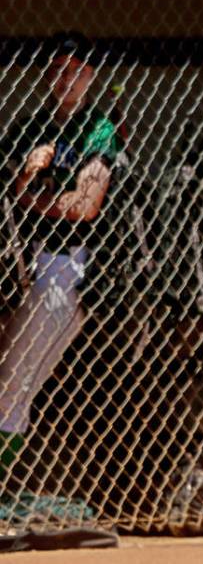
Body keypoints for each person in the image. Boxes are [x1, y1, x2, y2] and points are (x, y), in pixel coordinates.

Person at [0, 32, 122, 478]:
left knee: (14, 381)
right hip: (16, 266)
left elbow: (84, 206)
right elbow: (9, 183)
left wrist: (27, 193)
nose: (64, 78)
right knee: (11, 379)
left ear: (89, 76)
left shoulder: (99, 128)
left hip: (63, 268)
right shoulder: (30, 127)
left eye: (75, 70)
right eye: (57, 70)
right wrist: (28, 171)